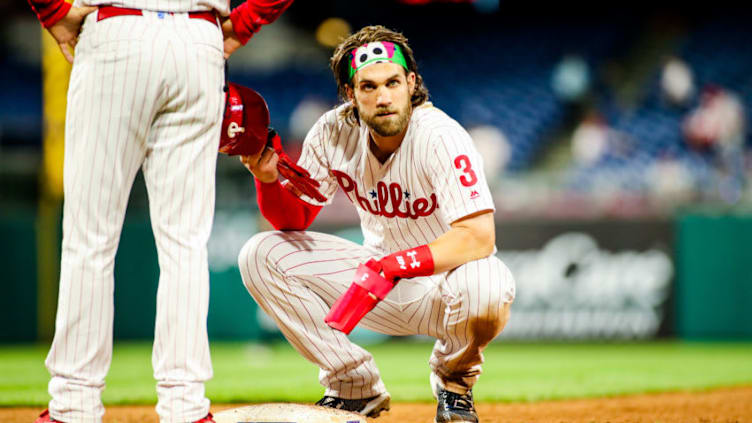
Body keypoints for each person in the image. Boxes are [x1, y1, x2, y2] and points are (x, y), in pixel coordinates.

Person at [25, 0, 293, 422]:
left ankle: (73, 406)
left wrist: (52, 11)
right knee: (185, 243)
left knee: (89, 239)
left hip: (117, 30)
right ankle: (185, 407)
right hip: (198, 42)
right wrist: (244, 21)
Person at [238, 25, 516, 423]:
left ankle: (454, 386)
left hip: (444, 289)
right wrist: (267, 181)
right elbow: (293, 218)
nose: (383, 97)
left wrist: (394, 265)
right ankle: (354, 387)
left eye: (392, 82)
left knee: (487, 284)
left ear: (411, 83)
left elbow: (478, 238)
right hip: (376, 282)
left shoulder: (441, 137)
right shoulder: (334, 130)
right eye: (368, 86)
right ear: (351, 93)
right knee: (260, 254)